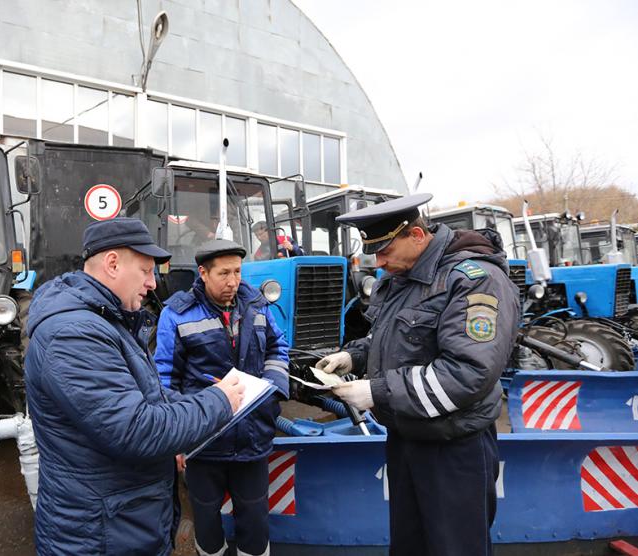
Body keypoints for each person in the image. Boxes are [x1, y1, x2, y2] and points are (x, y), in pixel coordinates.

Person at [24, 217, 246, 555]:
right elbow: (136, 429)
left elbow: (146, 394)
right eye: (145, 270)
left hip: (121, 522)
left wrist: (198, 401)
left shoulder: (106, 319)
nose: (153, 283)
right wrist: (218, 402)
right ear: (113, 264)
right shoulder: (73, 334)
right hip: (100, 536)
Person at [315, 193, 519, 556]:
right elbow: (396, 337)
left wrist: (378, 393)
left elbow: (468, 373)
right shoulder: (406, 275)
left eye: (385, 251)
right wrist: (354, 356)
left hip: (454, 448)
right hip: (408, 437)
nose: (379, 264)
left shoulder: (475, 279)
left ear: (418, 236)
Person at [155, 238, 290, 556]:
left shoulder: (256, 305)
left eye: (238, 272)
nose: (233, 281)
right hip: (204, 444)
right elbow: (164, 379)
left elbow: (277, 347)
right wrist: (176, 438)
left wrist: (271, 388)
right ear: (203, 273)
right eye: (224, 273)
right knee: (206, 520)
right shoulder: (176, 315)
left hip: (252, 439)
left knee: (256, 520)